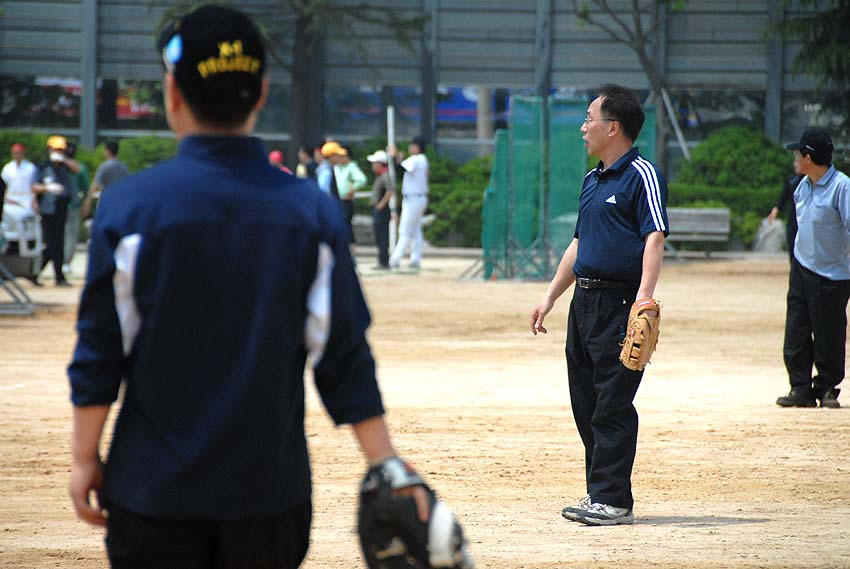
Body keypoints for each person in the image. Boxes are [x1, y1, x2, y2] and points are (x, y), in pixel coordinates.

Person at [67, 6, 470, 568]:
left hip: (152, 493)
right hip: (269, 498)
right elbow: (343, 355)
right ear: (260, 94)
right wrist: (386, 464)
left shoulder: (131, 209)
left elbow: (100, 351)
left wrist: (85, 457)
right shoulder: (309, 214)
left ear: (172, 94)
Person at [529, 84, 668, 526]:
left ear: (613, 127)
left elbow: (655, 236)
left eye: (589, 118)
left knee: (612, 403)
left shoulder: (642, 174)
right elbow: (579, 244)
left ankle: (614, 500)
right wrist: (551, 295)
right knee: (586, 401)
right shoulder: (593, 179)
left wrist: (643, 298)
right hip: (584, 303)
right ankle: (599, 493)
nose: (583, 127)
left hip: (619, 303)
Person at [775, 128, 850, 409]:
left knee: (829, 332)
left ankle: (827, 387)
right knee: (796, 330)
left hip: (833, 274)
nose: (795, 158)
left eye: (798, 153)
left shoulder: (842, 187)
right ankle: (800, 389)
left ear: (808, 157)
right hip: (802, 268)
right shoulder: (801, 186)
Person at [31, 135, 80, 286]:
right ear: (49, 149)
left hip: (62, 207)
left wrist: (64, 159)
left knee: (57, 242)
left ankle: (35, 272)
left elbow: (77, 169)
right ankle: (57, 276)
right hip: (48, 208)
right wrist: (47, 188)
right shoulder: (43, 167)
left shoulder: (64, 166)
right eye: (55, 149)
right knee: (54, 243)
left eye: (61, 149)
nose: (58, 151)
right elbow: (33, 186)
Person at [389, 136, 429, 270]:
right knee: (416, 230)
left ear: (418, 147)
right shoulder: (420, 160)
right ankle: (415, 259)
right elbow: (402, 168)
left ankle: (395, 258)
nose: (410, 147)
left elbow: (401, 169)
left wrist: (394, 157)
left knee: (404, 230)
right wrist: (397, 159)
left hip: (414, 198)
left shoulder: (418, 159)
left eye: (413, 145)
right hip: (416, 198)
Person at [322, 141, 366, 246]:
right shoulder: (330, 169)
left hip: (344, 202)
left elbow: (362, 180)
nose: (341, 157)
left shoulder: (350, 167)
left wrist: (352, 190)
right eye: (338, 155)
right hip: (335, 202)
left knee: (345, 227)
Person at [81, 140, 130, 219]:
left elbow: (95, 185)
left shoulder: (105, 166)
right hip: (121, 202)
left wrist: (87, 202)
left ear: (108, 151)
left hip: (107, 200)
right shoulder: (124, 167)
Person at [63, 142, 90, 273]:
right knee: (66, 235)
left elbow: (86, 188)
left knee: (70, 235)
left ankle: (66, 262)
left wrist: (85, 205)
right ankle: (63, 262)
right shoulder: (58, 166)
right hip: (60, 206)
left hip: (73, 205)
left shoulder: (79, 168)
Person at [366, 149, 395, 269]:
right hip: (378, 210)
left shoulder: (384, 176)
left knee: (382, 236)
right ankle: (381, 261)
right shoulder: (380, 176)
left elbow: (390, 190)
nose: (373, 165)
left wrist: (381, 205)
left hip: (381, 211)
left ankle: (384, 262)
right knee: (379, 236)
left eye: (374, 163)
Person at [768, 173, 804, 261]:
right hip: (793, 218)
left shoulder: (812, 180)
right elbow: (784, 196)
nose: (795, 164)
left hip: (805, 219)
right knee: (792, 245)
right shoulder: (792, 180)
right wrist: (776, 208)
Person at [2, 143, 39, 219]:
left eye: (18, 153)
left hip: (26, 200)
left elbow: (34, 185)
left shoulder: (30, 168)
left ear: (23, 154)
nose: (16, 155)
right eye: (14, 153)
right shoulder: (7, 168)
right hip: (10, 199)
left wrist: (34, 200)